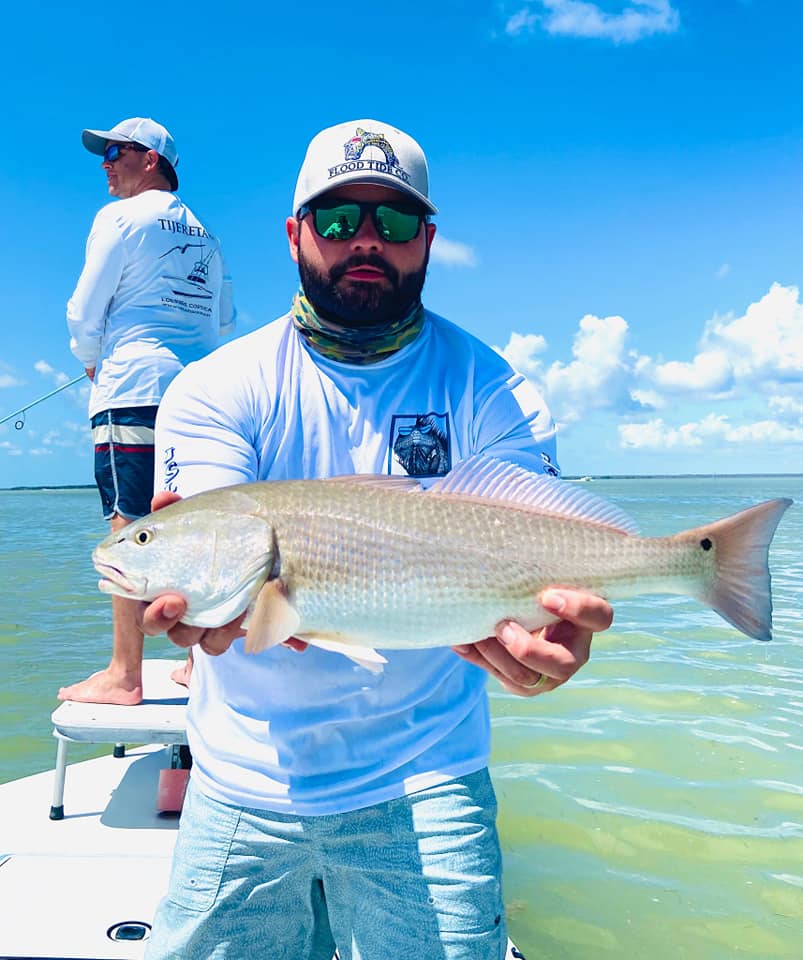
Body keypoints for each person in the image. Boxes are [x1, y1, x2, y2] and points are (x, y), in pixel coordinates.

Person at [140, 119, 613, 959]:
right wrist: (194, 589)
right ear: (294, 235)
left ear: (426, 238)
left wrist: (550, 641)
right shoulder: (213, 387)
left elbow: (542, 539)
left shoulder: (493, 389)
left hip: (430, 773)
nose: (367, 240)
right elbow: (218, 545)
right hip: (241, 778)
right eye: (336, 219)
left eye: (394, 223)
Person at [59, 117, 235, 705]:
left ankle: (123, 675)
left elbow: (86, 307)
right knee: (191, 522)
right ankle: (196, 662)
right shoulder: (207, 235)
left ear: (152, 160)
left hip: (131, 385)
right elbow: (226, 320)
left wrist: (91, 360)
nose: (104, 163)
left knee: (127, 525)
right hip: (200, 395)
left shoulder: (118, 218)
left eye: (115, 152)